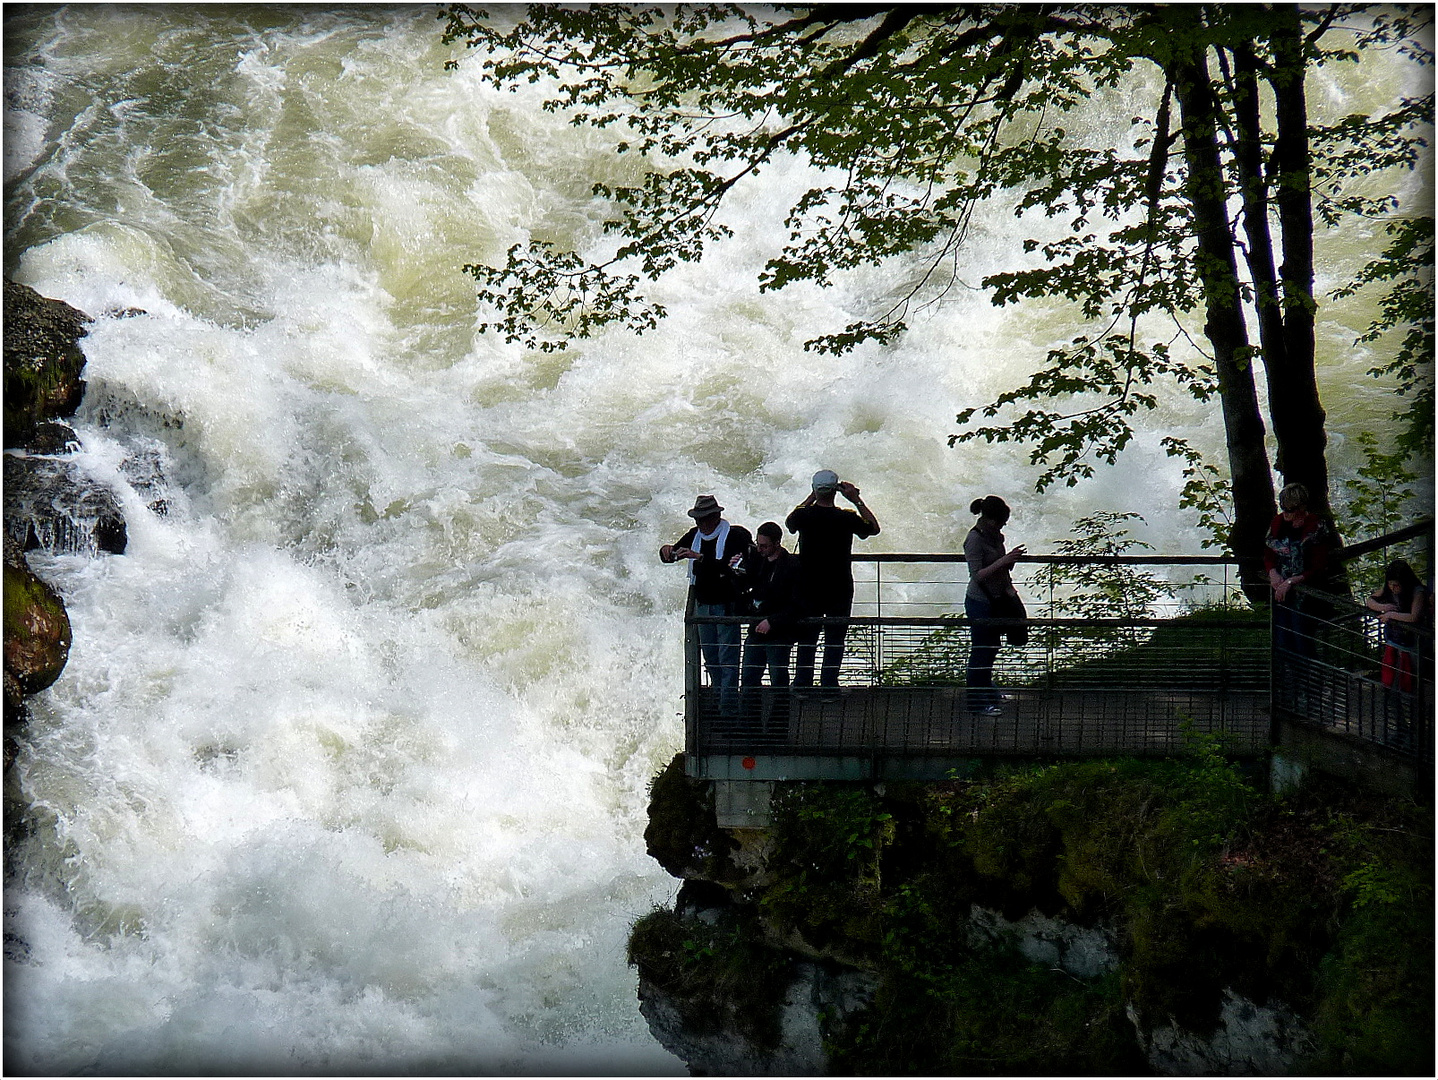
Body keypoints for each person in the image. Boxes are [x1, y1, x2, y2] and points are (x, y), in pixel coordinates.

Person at [786, 470, 881, 688]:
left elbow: (790, 522)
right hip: (839, 586)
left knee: (807, 637)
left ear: (815, 489)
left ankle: (802, 683)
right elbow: (874, 529)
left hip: (808, 586)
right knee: (835, 638)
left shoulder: (803, 516)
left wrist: (812, 496)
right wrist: (857, 500)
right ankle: (829, 685)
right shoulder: (846, 517)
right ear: (836, 490)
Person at [660, 495, 753, 712]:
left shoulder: (734, 536)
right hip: (703, 606)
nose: (699, 523)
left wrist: (699, 557)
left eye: (703, 519)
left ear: (716, 517)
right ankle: (722, 701)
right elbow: (673, 554)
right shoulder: (695, 535)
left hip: (725, 606)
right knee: (711, 658)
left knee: (728, 660)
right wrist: (666, 551)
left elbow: (730, 568)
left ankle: (728, 709)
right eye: (697, 519)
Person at [736, 522, 804, 731]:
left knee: (779, 681)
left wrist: (772, 621)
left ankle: (778, 729)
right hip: (757, 629)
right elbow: (744, 582)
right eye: (758, 544)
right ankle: (750, 727)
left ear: (777, 543)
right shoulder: (758, 561)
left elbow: (799, 604)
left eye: (764, 545)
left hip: (778, 633)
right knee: (748, 679)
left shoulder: (792, 566)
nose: (760, 549)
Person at [964, 495, 1026, 716]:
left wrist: (1009, 563)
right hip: (980, 602)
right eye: (1000, 522)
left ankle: (988, 691)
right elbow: (977, 575)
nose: (1002, 526)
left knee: (991, 649)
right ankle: (976, 703)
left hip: (998, 598)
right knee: (981, 651)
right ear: (989, 519)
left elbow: (1000, 569)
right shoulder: (974, 539)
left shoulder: (996, 538)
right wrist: (1003, 560)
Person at [1264, 483, 1336, 660]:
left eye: (1292, 509)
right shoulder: (1277, 523)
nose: (1287, 513)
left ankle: (1309, 685)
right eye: (1284, 508)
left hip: (1306, 594)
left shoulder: (1316, 527)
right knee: (1282, 641)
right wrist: (1273, 573)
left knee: (1303, 642)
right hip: (1281, 593)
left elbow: (1318, 566)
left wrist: (1291, 581)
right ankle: (1288, 685)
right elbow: (1269, 553)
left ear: (1302, 506)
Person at [1366, 559, 1428, 694]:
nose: (1392, 588)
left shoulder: (1417, 592)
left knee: (1411, 679)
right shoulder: (1388, 589)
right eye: (1390, 584)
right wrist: (1383, 607)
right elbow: (1370, 601)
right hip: (1393, 640)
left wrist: (1391, 615)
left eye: (1396, 585)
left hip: (1412, 643)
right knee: (1391, 676)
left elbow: (1413, 616)